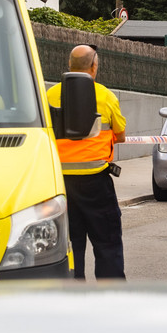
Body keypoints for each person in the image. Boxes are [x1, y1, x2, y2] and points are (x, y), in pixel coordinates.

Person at [46, 44, 127, 280]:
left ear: (69, 65)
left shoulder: (49, 95)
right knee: (108, 243)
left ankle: (73, 297)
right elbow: (120, 134)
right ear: (94, 67)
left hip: (60, 185)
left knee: (70, 246)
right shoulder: (105, 95)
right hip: (96, 183)